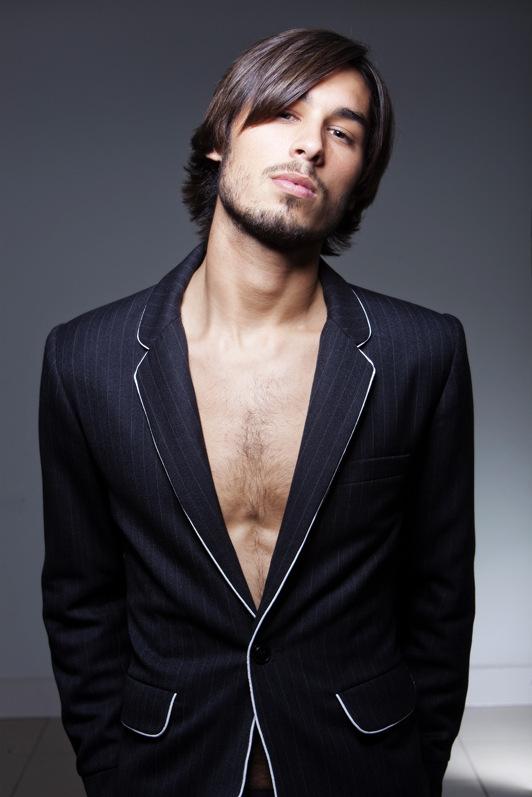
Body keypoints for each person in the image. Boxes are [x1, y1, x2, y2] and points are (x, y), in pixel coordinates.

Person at [38, 27, 475, 797]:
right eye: (285, 113)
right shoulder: (85, 360)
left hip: (362, 765)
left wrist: (417, 763)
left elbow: (440, 591)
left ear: (360, 179)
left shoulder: (422, 352)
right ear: (220, 136)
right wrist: (107, 767)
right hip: (168, 766)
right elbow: (82, 597)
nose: (311, 145)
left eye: (343, 133)